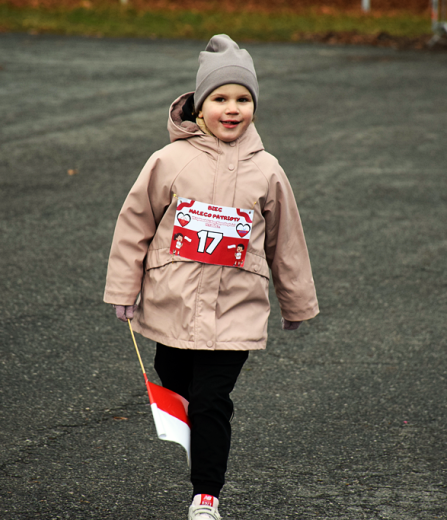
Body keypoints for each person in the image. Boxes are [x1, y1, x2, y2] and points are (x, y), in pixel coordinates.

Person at [104, 34, 319, 520]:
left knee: (211, 400)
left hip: (235, 310)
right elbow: (135, 226)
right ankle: (199, 444)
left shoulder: (268, 170)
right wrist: (123, 289)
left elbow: (286, 241)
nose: (232, 109)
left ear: (255, 106)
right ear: (199, 106)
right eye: (220, 98)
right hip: (172, 305)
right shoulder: (169, 161)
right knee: (178, 385)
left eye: (243, 99)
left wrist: (296, 303)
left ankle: (206, 495)